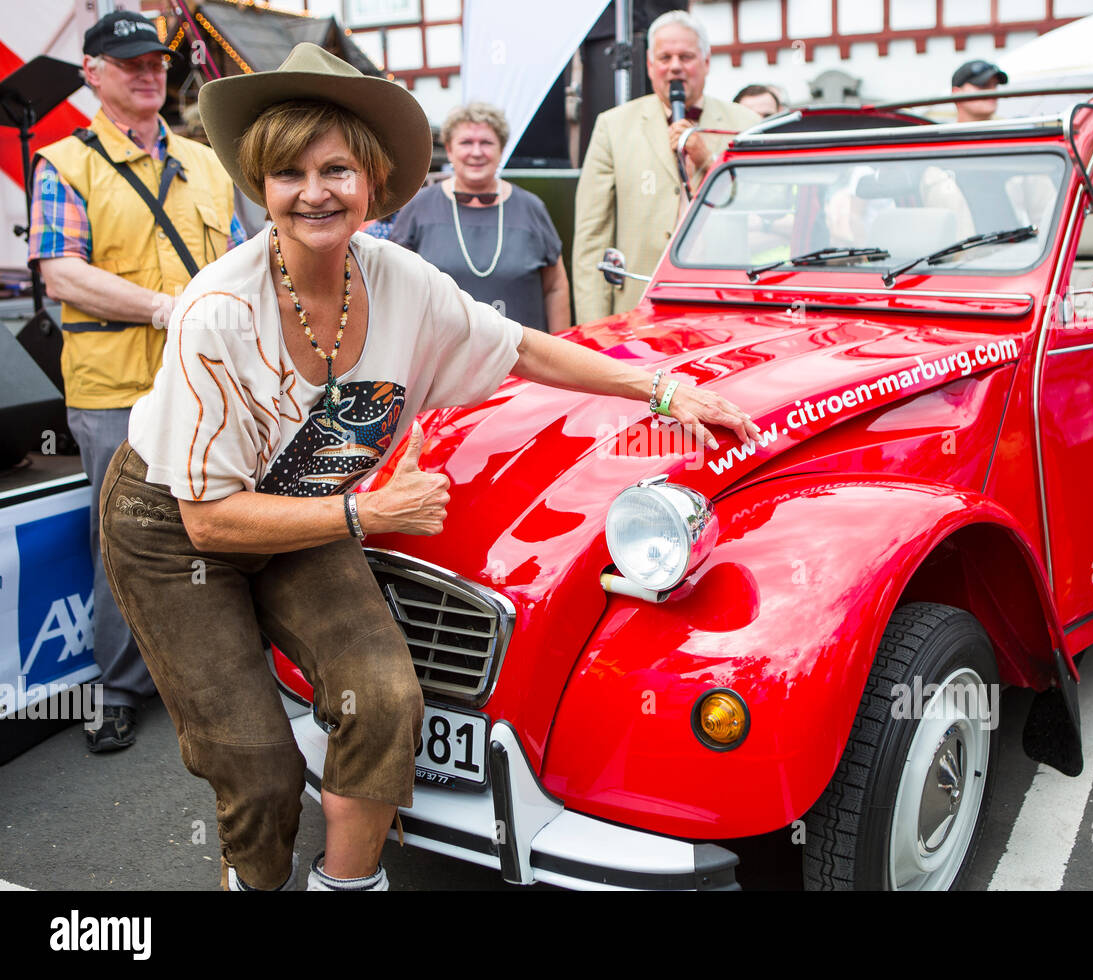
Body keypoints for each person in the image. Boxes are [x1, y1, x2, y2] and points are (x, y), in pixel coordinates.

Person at [97, 43, 760, 892]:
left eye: (336, 168)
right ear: (261, 186)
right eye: (288, 172)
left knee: (383, 700)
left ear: (372, 181)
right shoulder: (217, 311)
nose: (314, 192)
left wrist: (664, 389)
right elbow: (209, 519)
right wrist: (366, 517)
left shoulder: (404, 280)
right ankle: (253, 881)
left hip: (311, 502)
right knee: (257, 767)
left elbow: (521, 346)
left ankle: (349, 884)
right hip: (174, 527)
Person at [29, 9, 243, 753]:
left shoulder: (209, 161)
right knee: (125, 537)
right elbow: (62, 273)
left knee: (218, 529)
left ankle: (209, 678)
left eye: (156, 60)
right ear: (92, 74)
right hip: (116, 385)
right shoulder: (63, 161)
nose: (150, 71)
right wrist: (166, 307)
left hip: (209, 383)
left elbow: (243, 265)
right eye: (129, 62)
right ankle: (118, 687)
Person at [572, 10, 759, 324]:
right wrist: (593, 327)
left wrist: (708, 162)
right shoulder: (613, 126)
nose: (675, 67)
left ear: (706, 62)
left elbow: (763, 207)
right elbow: (592, 239)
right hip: (637, 308)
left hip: (723, 308)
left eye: (686, 57)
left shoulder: (745, 124)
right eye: (665, 57)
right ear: (649, 64)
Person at [390, 103, 569, 333]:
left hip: (522, 359)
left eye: (486, 142)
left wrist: (560, 344)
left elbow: (555, 286)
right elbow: (395, 286)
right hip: (442, 360)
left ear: (501, 149)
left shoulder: (531, 208)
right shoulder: (419, 208)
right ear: (450, 149)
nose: (476, 152)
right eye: (466, 142)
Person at [951, 59, 1007, 124]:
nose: (993, 91)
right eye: (984, 85)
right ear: (956, 93)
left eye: (995, 85)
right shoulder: (940, 132)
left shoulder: (1014, 130)